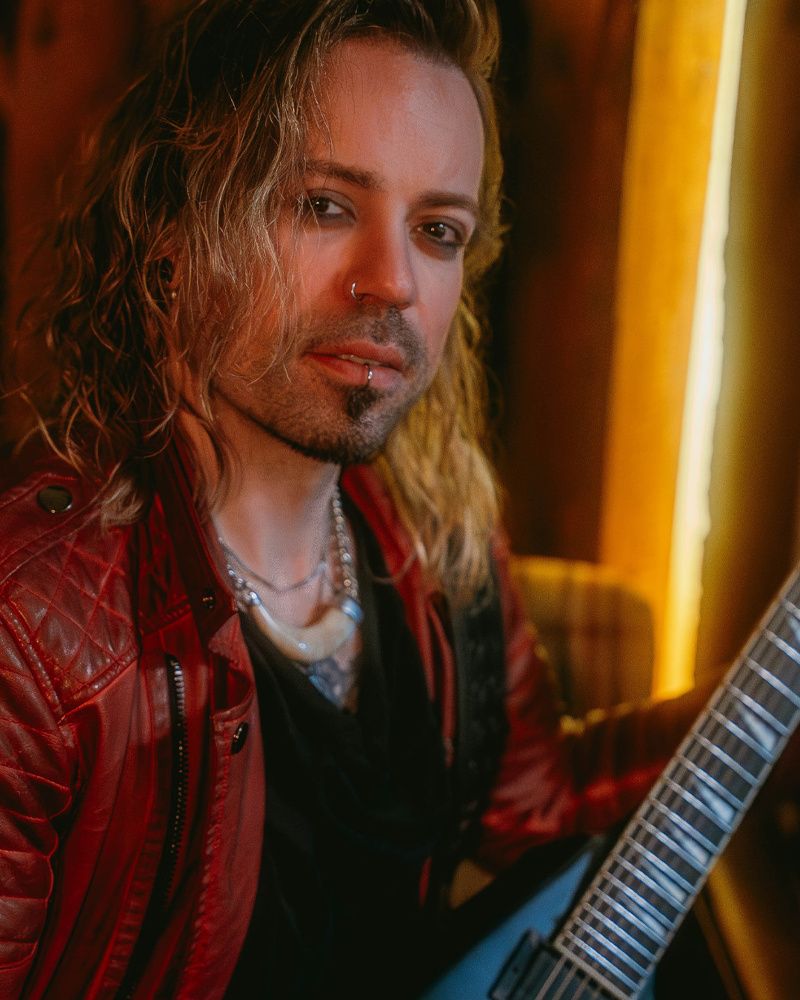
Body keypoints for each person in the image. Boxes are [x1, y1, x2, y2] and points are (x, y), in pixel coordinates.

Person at [0, 1, 704, 996]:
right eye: (325, 206)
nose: (394, 282)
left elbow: (536, 813)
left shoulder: (436, 534)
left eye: (437, 230)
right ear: (174, 223)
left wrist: (773, 712)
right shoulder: (29, 626)